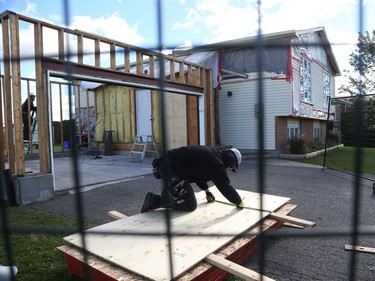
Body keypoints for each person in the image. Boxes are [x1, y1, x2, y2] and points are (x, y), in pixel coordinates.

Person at [141, 145, 245, 213]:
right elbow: (225, 187)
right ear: (230, 163)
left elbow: (199, 174)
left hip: (170, 167)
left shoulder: (214, 155)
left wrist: (207, 191)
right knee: (189, 204)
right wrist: (238, 201)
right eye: (231, 168)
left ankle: (166, 197)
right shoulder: (216, 164)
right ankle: (153, 200)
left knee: (184, 197)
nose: (229, 171)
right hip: (169, 169)